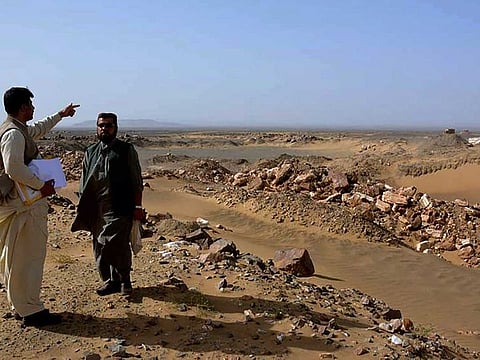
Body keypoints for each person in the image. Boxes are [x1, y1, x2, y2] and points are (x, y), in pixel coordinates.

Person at [0, 87, 79, 327]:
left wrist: (60, 115)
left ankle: (21, 305)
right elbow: (13, 167)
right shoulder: (13, 135)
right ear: (23, 107)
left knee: (16, 257)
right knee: (28, 257)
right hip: (23, 205)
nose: (34, 109)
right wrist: (41, 185)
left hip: (21, 204)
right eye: (31, 105)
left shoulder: (18, 130)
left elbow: (39, 129)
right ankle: (31, 310)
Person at [72, 112, 143, 296]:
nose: (105, 129)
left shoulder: (126, 150)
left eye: (109, 125)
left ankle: (125, 279)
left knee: (114, 243)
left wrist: (137, 207)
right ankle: (112, 281)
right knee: (98, 245)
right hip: (96, 207)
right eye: (101, 125)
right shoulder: (91, 151)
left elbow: (136, 181)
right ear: (97, 128)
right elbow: (84, 180)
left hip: (120, 206)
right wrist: (82, 204)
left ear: (116, 128)